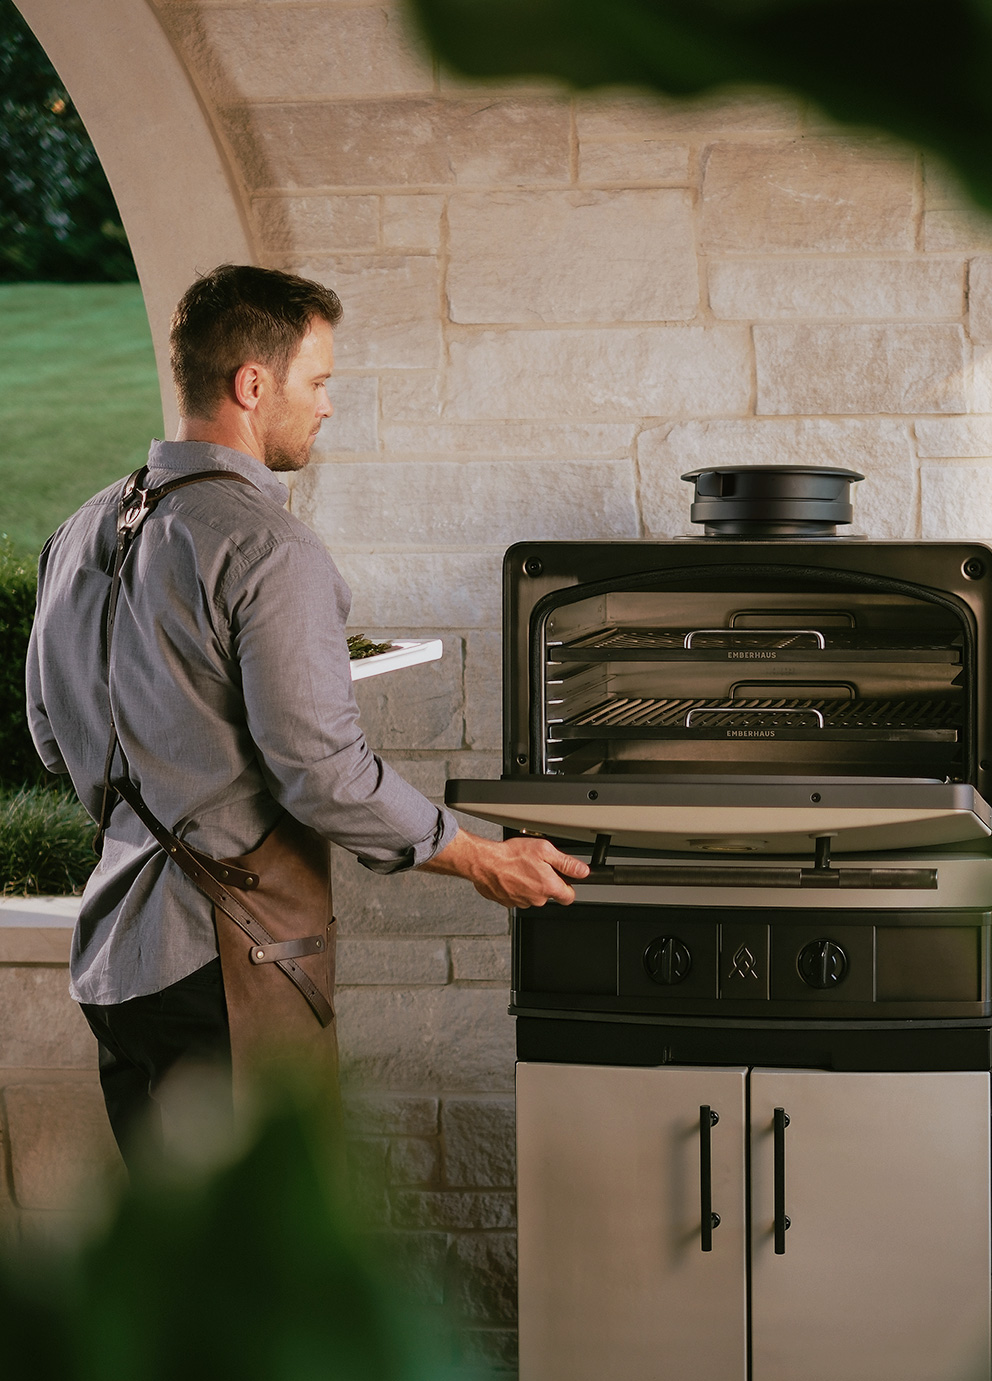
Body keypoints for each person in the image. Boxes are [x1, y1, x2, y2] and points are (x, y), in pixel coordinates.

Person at [26, 263, 586, 1161]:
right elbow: (321, 772)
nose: (327, 406)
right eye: (317, 381)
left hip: (116, 973)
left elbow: (54, 739)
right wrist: (482, 856)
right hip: (225, 970)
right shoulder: (265, 545)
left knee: (182, 1274)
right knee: (263, 1282)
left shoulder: (78, 532)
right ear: (253, 385)